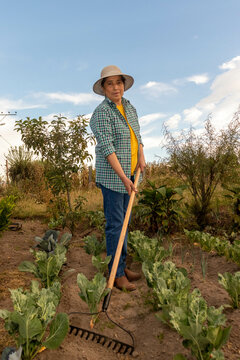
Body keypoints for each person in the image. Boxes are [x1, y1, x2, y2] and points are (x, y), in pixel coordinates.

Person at [90, 65, 146, 291]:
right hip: (114, 178)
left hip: (132, 173)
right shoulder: (101, 114)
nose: (116, 87)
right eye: (110, 83)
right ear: (103, 88)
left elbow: (138, 135)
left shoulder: (129, 107)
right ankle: (116, 274)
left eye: (119, 82)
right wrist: (123, 177)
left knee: (126, 223)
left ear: (124, 85)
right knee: (116, 225)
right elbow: (107, 148)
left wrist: (141, 157)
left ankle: (121, 266)